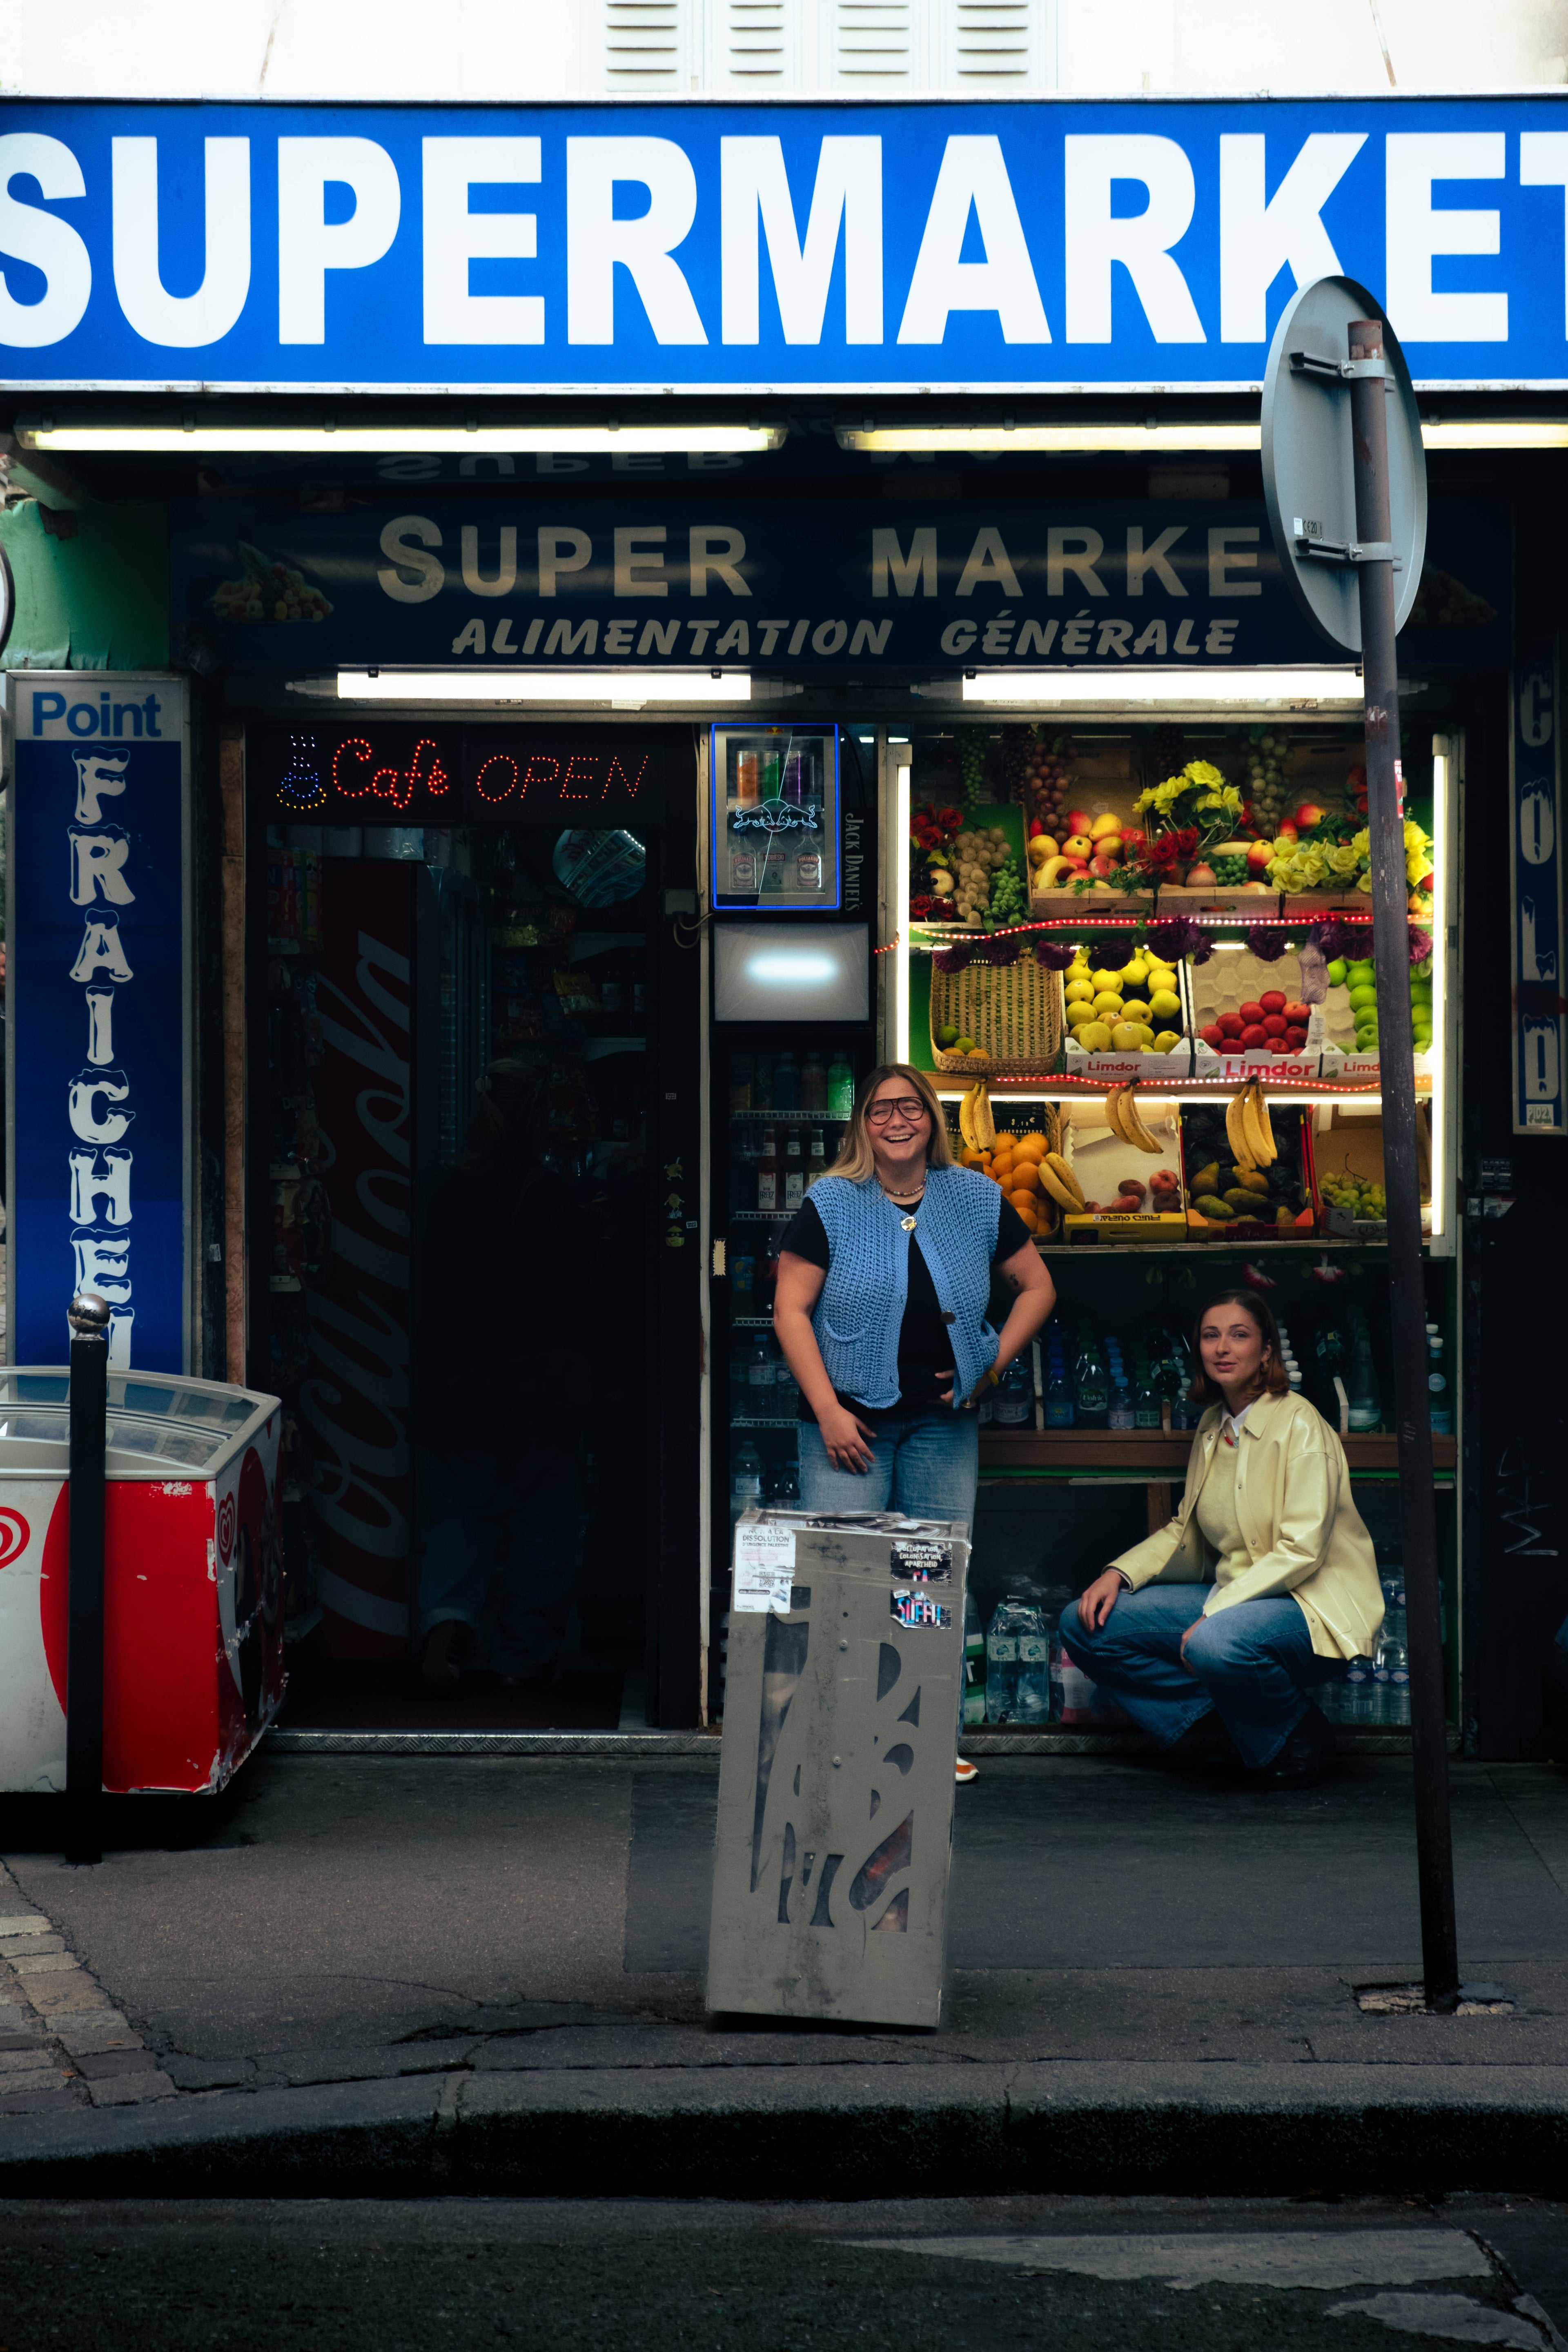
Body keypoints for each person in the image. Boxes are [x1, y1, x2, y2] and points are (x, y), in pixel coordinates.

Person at [772, 1063, 1056, 1782]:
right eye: (879, 1111)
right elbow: (790, 1310)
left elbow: (1037, 1286)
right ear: (862, 1125)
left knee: (924, 1589)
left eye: (910, 1108)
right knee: (844, 1588)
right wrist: (831, 1410)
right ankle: (838, 1743)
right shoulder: (832, 1202)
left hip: (940, 1426)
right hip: (848, 1429)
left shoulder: (975, 1197)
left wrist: (989, 1363)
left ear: (932, 1118)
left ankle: (926, 1742)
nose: (896, 1122)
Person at [1062, 1287, 1383, 1790]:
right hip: (1234, 1603)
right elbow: (1186, 1529)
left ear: (1267, 1351)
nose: (1223, 1348)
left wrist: (1215, 1614)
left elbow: (1302, 1549)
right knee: (1085, 1625)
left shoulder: (1301, 1425)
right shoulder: (1214, 1425)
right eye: (1211, 1336)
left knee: (1216, 1641)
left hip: (1311, 1606)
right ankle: (1216, 1730)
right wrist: (1117, 1574)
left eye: (1240, 1335)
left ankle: (1299, 1737)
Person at [412, 1059, 590, 1695]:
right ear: (538, 1115)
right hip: (533, 1391)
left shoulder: (449, 1191)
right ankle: (521, 1659)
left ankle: (448, 1631)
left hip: (458, 1388)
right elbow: (569, 1298)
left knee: (461, 1519)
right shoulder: (545, 1193)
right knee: (541, 1525)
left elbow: (431, 1300)